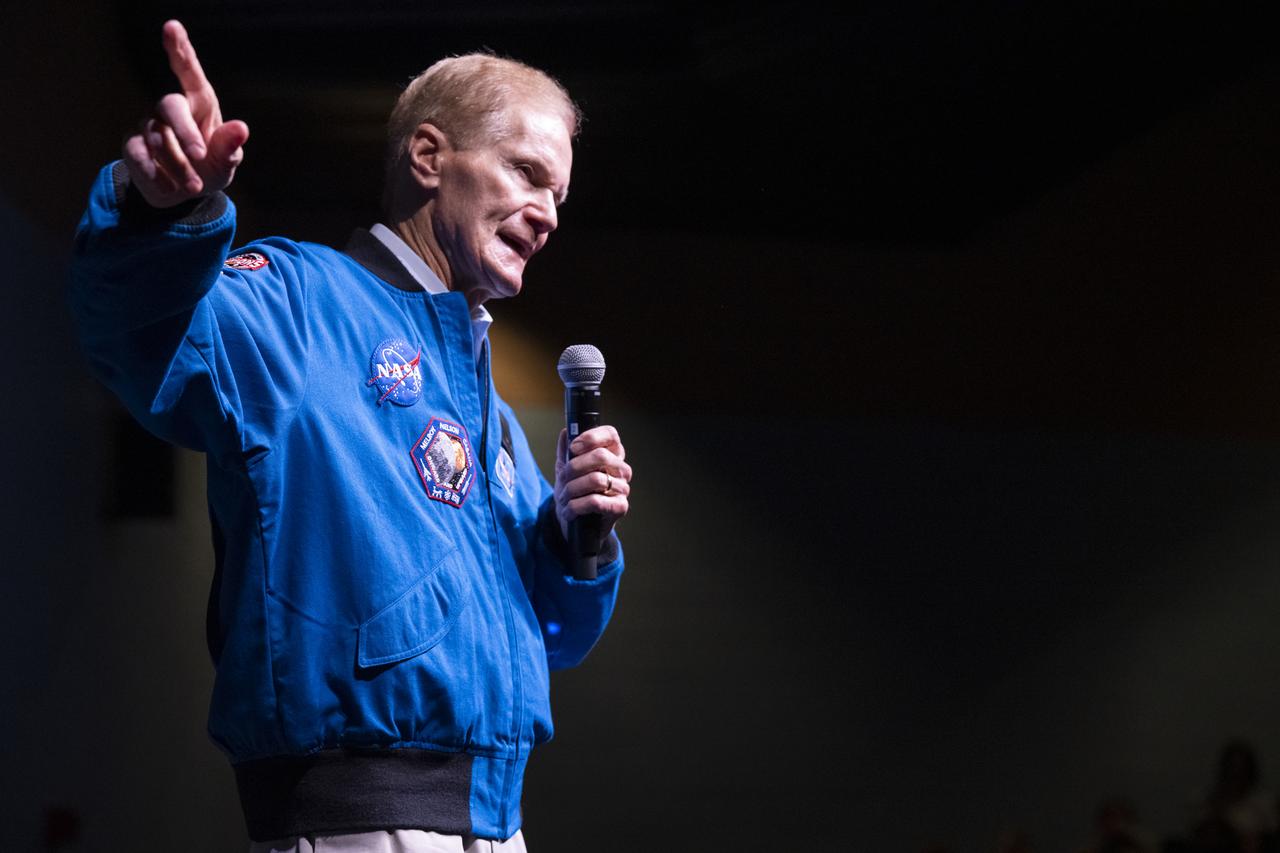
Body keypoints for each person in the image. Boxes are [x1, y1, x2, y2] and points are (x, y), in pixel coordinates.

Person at [69, 19, 632, 853]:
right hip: (356, 823)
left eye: (560, 195)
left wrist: (574, 534)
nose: (548, 214)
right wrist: (158, 212)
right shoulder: (297, 306)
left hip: (498, 825)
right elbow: (137, 333)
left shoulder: (495, 417)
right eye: (527, 173)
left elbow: (557, 636)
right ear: (429, 157)